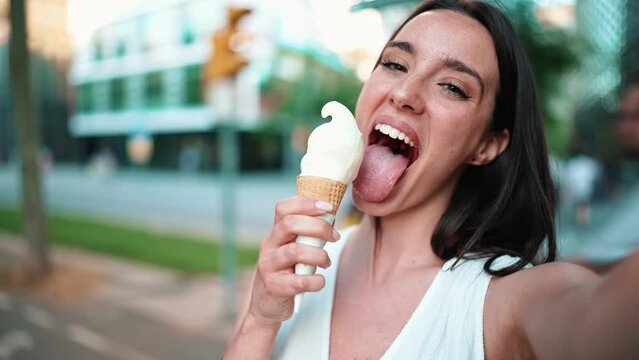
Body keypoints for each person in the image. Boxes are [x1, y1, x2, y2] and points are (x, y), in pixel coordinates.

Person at [224, 1, 639, 359]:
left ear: (487, 144)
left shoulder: (505, 299)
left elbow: (600, 322)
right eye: (395, 64)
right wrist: (259, 320)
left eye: (452, 87)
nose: (405, 92)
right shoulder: (290, 269)